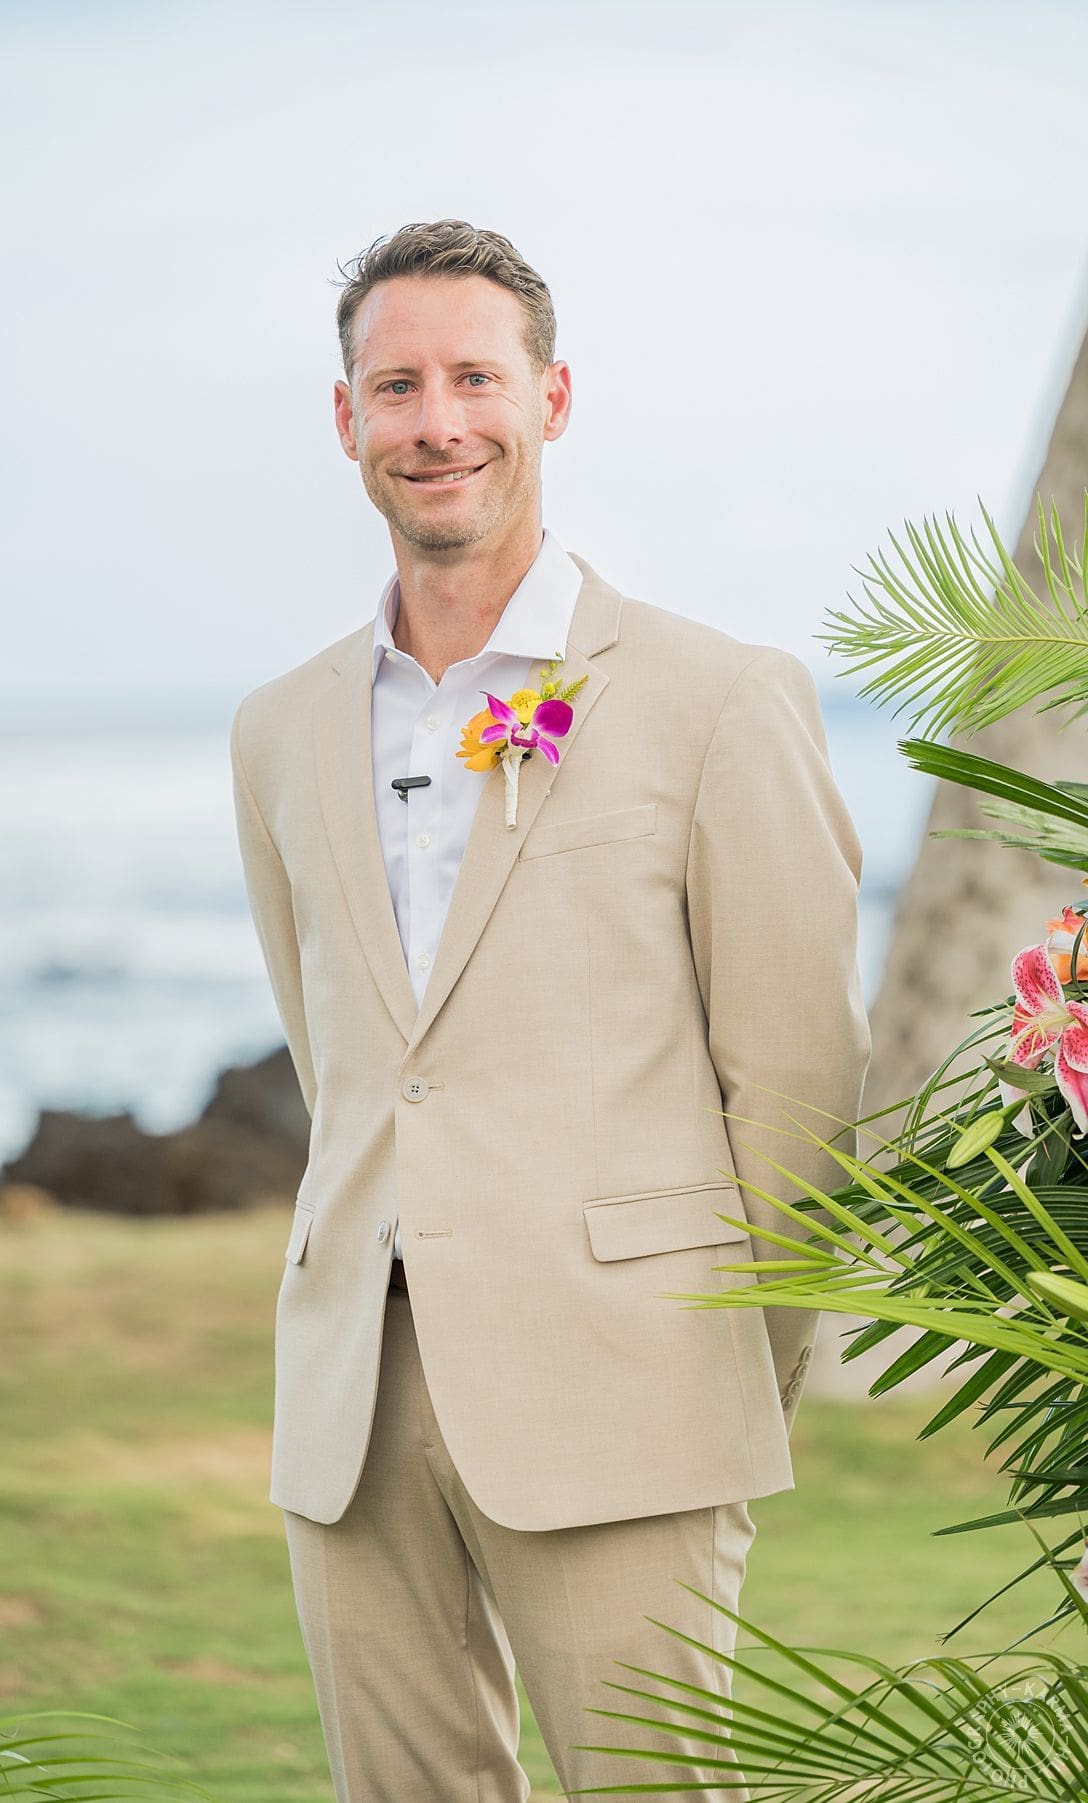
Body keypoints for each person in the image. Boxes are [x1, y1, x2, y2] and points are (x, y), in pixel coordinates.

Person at [230, 217, 872, 1801]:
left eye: (472, 378)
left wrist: (734, 1371)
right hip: (351, 1408)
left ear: (552, 397)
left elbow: (797, 1077)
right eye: (395, 386)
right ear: (347, 420)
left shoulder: (717, 699)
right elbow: (342, 1061)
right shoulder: (278, 731)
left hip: (630, 1390)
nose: (435, 421)